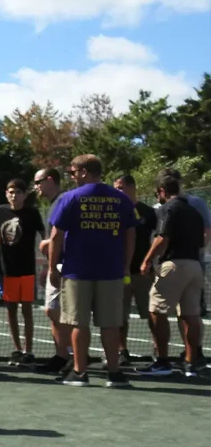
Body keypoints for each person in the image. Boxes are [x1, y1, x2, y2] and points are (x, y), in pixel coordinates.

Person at [48, 154, 136, 388]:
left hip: (78, 271)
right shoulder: (122, 199)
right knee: (110, 324)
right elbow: (131, 235)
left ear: (84, 172)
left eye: (74, 172)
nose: (72, 176)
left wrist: (51, 268)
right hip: (112, 271)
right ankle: (114, 373)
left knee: (78, 323)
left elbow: (56, 236)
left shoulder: (69, 198)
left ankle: (80, 372)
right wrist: (125, 265)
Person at [138, 173, 207, 377]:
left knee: (156, 311)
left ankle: (162, 361)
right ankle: (190, 363)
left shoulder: (169, 209)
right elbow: (202, 241)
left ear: (161, 191)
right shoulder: (193, 211)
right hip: (195, 266)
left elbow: (162, 238)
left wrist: (147, 260)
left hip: (174, 264)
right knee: (191, 315)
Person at [0, 179, 45, 366]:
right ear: (6, 193)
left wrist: (49, 257)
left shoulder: (32, 212)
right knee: (11, 310)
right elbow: (0, 234)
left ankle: (29, 351)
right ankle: (17, 349)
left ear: (24, 195)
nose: (14, 195)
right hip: (8, 269)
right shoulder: (1, 211)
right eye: (11, 192)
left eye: (18, 192)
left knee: (27, 309)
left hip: (27, 268)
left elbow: (44, 235)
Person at [113, 174, 158, 366]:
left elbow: (158, 238)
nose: (118, 191)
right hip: (119, 273)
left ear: (132, 187)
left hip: (143, 273)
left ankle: (158, 350)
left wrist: (151, 264)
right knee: (119, 316)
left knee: (152, 314)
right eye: (115, 188)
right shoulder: (113, 210)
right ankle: (122, 351)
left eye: (121, 187)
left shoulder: (148, 212)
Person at [32, 167, 72, 376]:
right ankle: (62, 356)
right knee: (52, 312)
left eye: (38, 182)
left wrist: (48, 244)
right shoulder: (52, 205)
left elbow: (65, 236)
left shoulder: (65, 200)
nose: (36, 187)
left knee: (58, 311)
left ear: (50, 180)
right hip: (55, 267)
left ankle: (71, 354)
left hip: (66, 268)